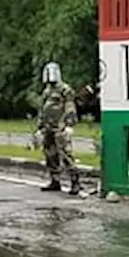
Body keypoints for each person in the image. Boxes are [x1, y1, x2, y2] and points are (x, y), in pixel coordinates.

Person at [38, 61, 81, 195]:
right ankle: (55, 180)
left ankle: (75, 182)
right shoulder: (47, 91)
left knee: (66, 154)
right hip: (48, 128)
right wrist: (39, 126)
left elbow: (70, 107)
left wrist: (69, 124)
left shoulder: (65, 89)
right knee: (50, 154)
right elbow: (43, 109)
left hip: (60, 127)